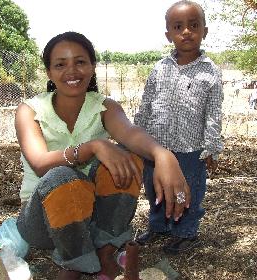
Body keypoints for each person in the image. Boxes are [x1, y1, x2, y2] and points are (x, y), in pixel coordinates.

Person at [14, 31, 190, 280]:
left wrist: (163, 155)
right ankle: (73, 265)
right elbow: (40, 164)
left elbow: (130, 133)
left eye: (80, 62)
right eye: (60, 64)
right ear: (49, 72)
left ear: (93, 67)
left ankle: (106, 253)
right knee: (62, 175)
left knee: (127, 156)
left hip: (93, 219)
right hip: (43, 223)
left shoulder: (105, 106)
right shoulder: (29, 110)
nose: (72, 71)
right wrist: (93, 146)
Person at [133, 0, 224, 255]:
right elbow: (146, 104)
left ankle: (185, 233)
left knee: (187, 192)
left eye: (194, 26)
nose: (186, 31)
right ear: (168, 34)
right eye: (178, 26)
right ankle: (159, 226)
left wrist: (212, 148)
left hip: (190, 149)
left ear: (204, 31)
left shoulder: (211, 72)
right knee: (155, 189)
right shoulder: (159, 68)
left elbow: (214, 113)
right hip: (155, 146)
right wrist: (136, 138)